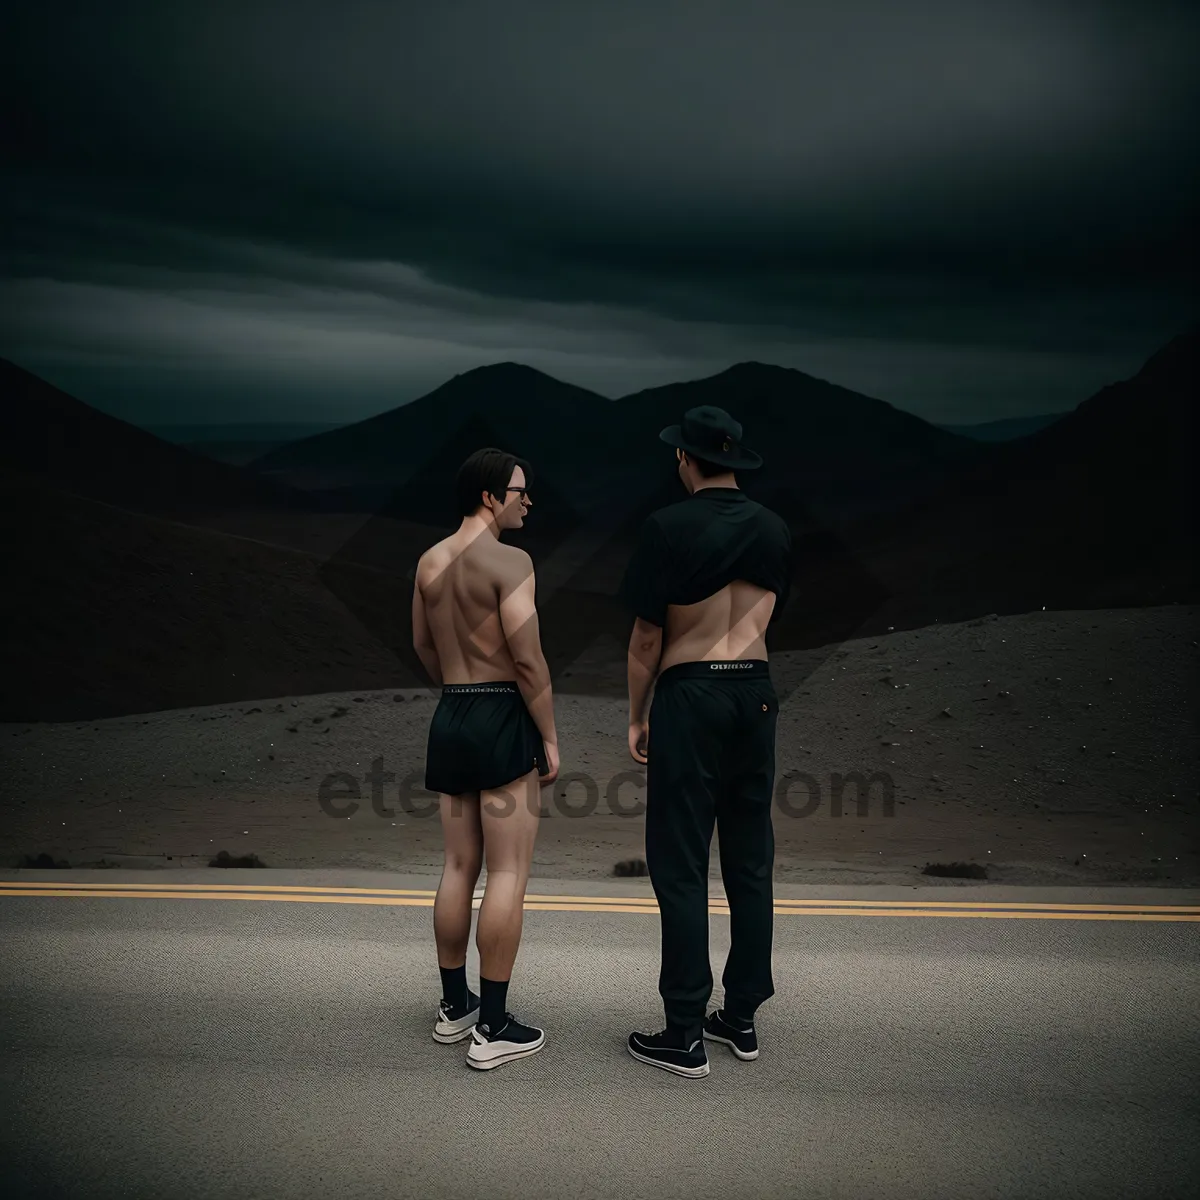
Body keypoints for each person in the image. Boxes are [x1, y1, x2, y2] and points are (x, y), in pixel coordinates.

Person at [619, 405, 793, 1078]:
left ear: (684, 459)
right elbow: (768, 614)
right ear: (736, 460)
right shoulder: (775, 528)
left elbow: (645, 638)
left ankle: (684, 1031)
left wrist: (638, 715)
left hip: (690, 693)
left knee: (682, 862)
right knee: (750, 860)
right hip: (755, 689)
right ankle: (741, 1017)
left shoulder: (667, 526)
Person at [412, 447, 560, 1071]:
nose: (529, 501)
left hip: (451, 712)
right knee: (507, 874)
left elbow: (423, 644)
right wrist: (548, 734)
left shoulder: (429, 561)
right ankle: (494, 1027)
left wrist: (457, 693)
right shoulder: (510, 560)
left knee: (456, 866)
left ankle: (455, 1010)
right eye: (521, 491)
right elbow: (526, 658)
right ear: (490, 497)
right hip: (502, 714)